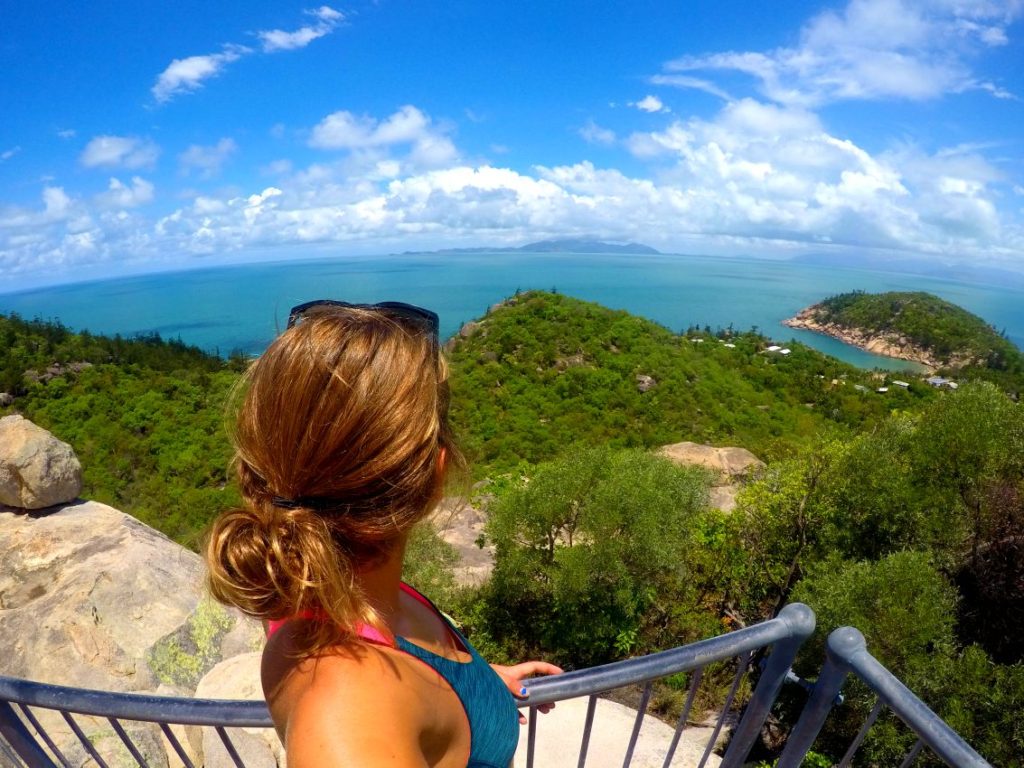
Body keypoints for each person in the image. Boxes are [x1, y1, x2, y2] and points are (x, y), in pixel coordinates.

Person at [205, 300, 560, 768]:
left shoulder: (325, 583)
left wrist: (481, 686)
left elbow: (413, 677)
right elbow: (370, 711)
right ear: (436, 475)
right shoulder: (350, 707)